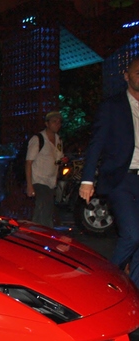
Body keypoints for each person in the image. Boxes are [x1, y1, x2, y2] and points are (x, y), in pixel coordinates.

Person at [79, 57, 139, 286]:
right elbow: (97, 143)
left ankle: (132, 289)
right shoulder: (112, 106)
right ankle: (104, 280)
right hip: (121, 178)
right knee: (133, 235)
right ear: (127, 76)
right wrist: (86, 179)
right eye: (137, 72)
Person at [25, 111, 65, 228]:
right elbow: (28, 162)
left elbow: (58, 158)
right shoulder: (38, 139)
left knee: (47, 209)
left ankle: (39, 233)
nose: (57, 124)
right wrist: (29, 185)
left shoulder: (58, 140)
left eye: (59, 122)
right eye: (54, 122)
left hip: (51, 182)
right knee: (43, 207)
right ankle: (41, 233)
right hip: (39, 180)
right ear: (47, 124)